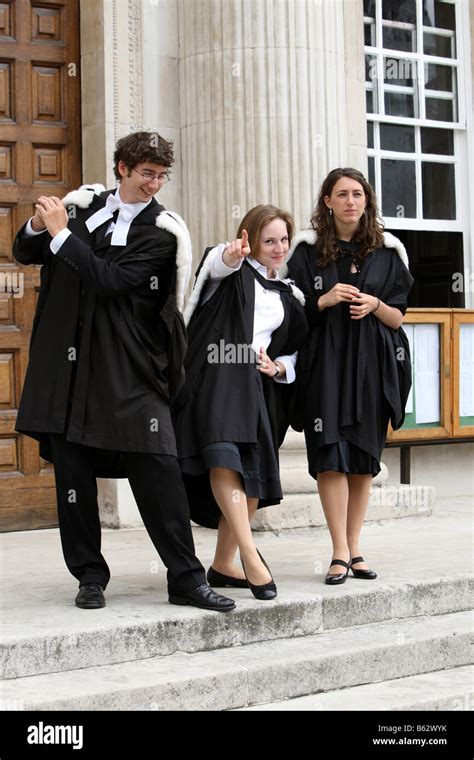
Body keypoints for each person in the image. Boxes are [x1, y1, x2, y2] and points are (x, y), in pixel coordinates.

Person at [13, 131, 235, 612]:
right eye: (145, 174)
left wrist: (60, 234)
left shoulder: (162, 232)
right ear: (121, 168)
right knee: (73, 477)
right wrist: (37, 225)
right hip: (69, 368)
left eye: (161, 175)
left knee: (157, 468)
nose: (154, 184)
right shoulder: (80, 208)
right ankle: (89, 576)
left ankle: (185, 578)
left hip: (130, 368)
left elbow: (108, 280)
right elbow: (25, 252)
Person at [284, 168, 413, 585]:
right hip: (325, 365)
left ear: (367, 200)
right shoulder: (304, 252)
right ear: (328, 201)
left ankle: (355, 548)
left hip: (371, 368)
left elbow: (397, 317)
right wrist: (323, 299)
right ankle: (338, 550)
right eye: (342, 194)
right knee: (330, 456)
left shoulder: (388, 252)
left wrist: (374, 303)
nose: (351, 201)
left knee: (362, 461)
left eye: (358, 194)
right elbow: (289, 316)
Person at [173, 205, 308, 599]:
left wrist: (280, 366)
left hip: (255, 385)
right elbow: (215, 266)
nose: (279, 247)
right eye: (269, 240)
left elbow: (297, 346)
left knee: (251, 477)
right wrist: (231, 255)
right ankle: (250, 555)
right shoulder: (230, 272)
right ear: (250, 239)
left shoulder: (287, 292)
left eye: (284, 239)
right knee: (223, 456)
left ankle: (223, 563)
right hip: (218, 373)